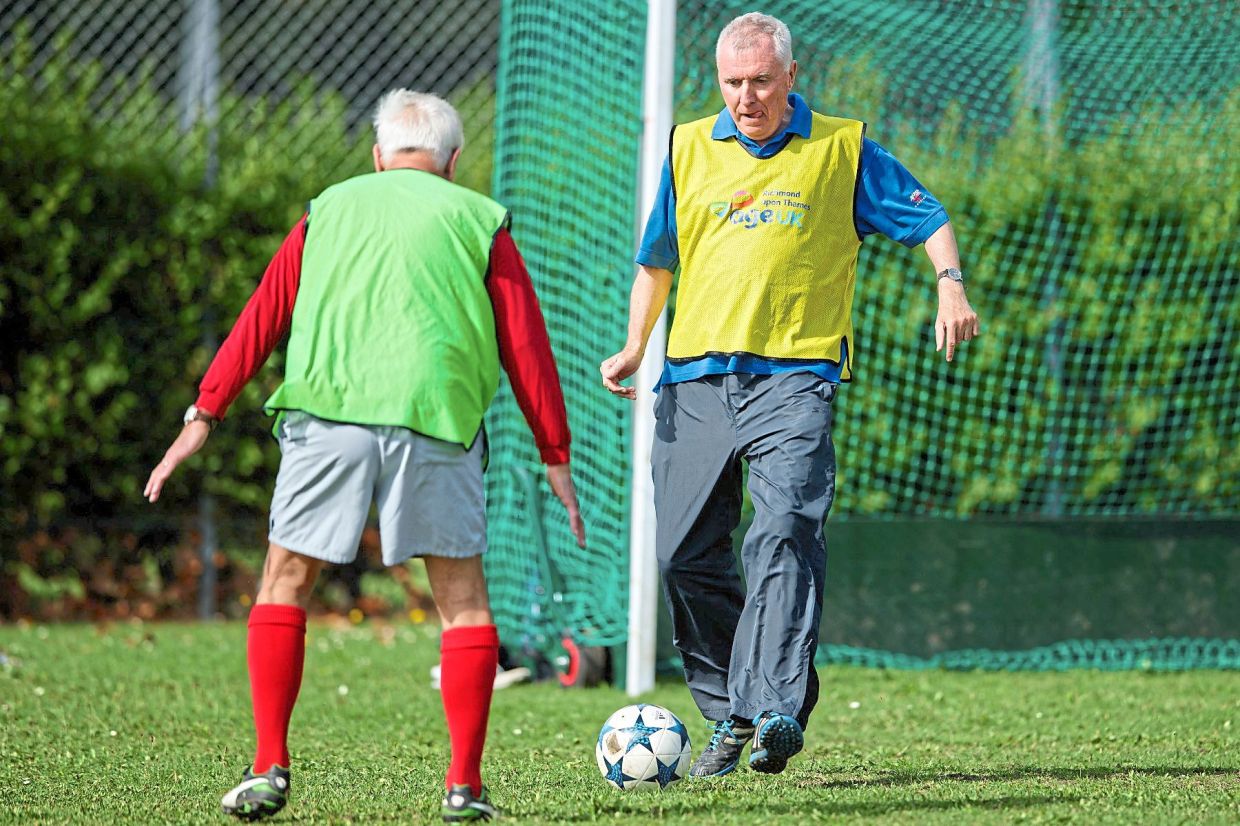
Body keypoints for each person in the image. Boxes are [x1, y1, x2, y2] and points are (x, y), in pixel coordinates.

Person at [145, 89, 586, 823]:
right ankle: (463, 788)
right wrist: (556, 454)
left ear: (378, 156)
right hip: (435, 418)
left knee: (285, 582)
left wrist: (205, 411)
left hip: (330, 414)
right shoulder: (479, 218)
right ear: (453, 161)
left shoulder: (329, 207)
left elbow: (264, 311)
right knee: (463, 601)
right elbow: (525, 344)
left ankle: (266, 769)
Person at [601, 13, 978, 778]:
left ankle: (771, 710)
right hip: (694, 379)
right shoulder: (687, 147)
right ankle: (731, 707)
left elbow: (927, 214)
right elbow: (656, 260)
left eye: (762, 81)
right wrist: (637, 344)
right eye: (735, 83)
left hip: (795, 379)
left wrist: (951, 286)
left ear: (790, 78)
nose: (748, 97)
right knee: (681, 555)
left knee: (781, 533)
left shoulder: (840, 149)